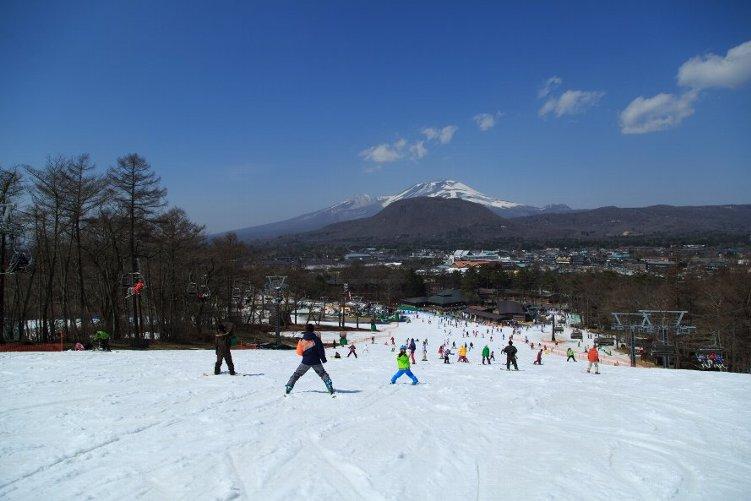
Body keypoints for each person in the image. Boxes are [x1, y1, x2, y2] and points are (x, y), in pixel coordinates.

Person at [286, 324, 334, 395]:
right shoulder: (316, 339)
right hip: (316, 361)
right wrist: (323, 359)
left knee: (297, 374)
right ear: (313, 330)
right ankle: (328, 383)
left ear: (305, 330)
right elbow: (321, 350)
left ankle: (289, 386)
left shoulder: (302, 340)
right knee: (322, 373)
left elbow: (299, 352)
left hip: (305, 362)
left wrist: (306, 355)